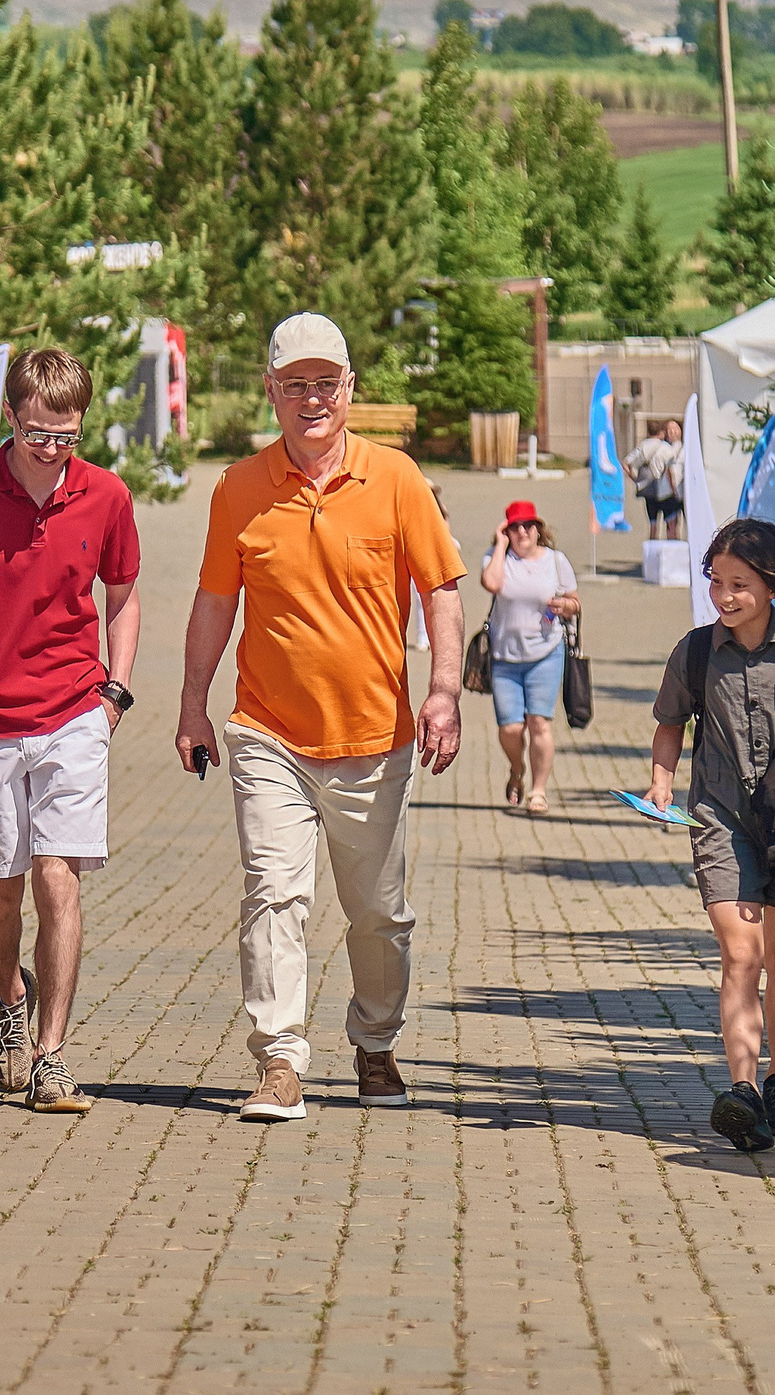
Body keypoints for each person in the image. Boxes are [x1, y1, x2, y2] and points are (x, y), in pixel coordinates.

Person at [179, 312, 466, 1122]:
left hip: (376, 739)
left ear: (350, 390)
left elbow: (442, 590)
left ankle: (376, 1044)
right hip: (267, 731)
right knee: (274, 894)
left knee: (378, 913)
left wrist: (442, 690)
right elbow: (213, 603)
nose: (311, 399)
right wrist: (192, 704)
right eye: (294, 384)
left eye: (324, 383)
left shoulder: (398, 478)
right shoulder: (238, 488)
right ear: (271, 392)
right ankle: (280, 1061)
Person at [0, 346, 140, 1115]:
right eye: (37, 431)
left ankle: (51, 1056)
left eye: (65, 436)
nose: (50, 448)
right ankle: (11, 994)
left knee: (55, 878)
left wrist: (115, 693)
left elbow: (125, 593)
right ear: (11, 414)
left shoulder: (105, 496)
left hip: (73, 712)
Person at [646, 517, 775, 1152]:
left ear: (773, 584)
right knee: (742, 955)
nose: (725, 597)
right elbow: (670, 723)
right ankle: (744, 1090)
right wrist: (660, 782)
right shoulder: (698, 652)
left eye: (740, 584)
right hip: (722, 819)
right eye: (716, 582)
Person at [479, 499, 579, 815]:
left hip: (545, 653)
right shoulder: (496, 559)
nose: (522, 532)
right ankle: (516, 769)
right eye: (515, 527)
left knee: (539, 722)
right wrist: (499, 544)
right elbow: (491, 584)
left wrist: (566, 607)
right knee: (510, 728)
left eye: (528, 526)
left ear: (538, 529)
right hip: (505, 658)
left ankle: (538, 791)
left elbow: (575, 601)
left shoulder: (556, 560)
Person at [625, 418, 685, 541]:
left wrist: (636, 480)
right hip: (667, 491)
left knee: (653, 525)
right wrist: (672, 487)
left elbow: (627, 463)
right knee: (671, 523)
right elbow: (666, 469)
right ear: (663, 432)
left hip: (650, 490)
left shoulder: (644, 445)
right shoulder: (665, 448)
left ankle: (654, 553)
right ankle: (672, 550)